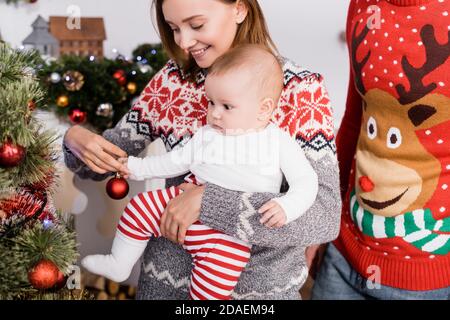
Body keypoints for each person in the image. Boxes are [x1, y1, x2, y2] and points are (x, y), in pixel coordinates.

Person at [63, 0, 341, 299]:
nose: (183, 42)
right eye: (173, 28)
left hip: (257, 297)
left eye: (196, 25)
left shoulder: (300, 89)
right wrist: (75, 141)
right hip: (161, 288)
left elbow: (323, 217)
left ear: (239, 9)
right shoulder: (172, 82)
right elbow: (104, 164)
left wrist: (210, 201)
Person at [312, 0, 450, 300]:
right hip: (344, 254)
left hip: (427, 279)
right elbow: (354, 120)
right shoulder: (362, 5)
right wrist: (323, 223)